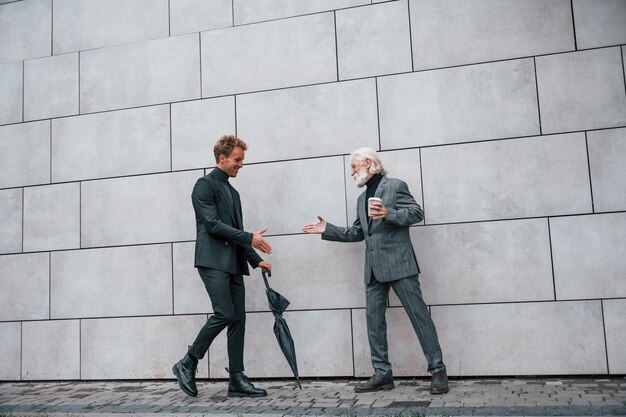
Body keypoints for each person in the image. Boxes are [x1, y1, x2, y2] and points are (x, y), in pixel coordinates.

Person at [303, 147, 448, 395]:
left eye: (353, 166)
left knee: (419, 317)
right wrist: (327, 229)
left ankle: (438, 371)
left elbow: (416, 213)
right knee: (374, 323)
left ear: (369, 164)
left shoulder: (395, 186)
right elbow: (357, 233)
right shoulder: (361, 199)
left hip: (400, 265)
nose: (351, 172)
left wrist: (389, 213)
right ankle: (382, 374)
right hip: (373, 270)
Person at [172, 135, 273, 398]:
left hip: (233, 264)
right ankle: (188, 362)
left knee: (238, 318)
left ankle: (237, 380)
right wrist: (250, 237)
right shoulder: (203, 186)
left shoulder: (233, 192)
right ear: (222, 158)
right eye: (238, 160)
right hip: (212, 262)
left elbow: (236, 232)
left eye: (242, 160)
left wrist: (255, 260)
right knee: (224, 313)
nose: (241, 165)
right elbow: (213, 225)